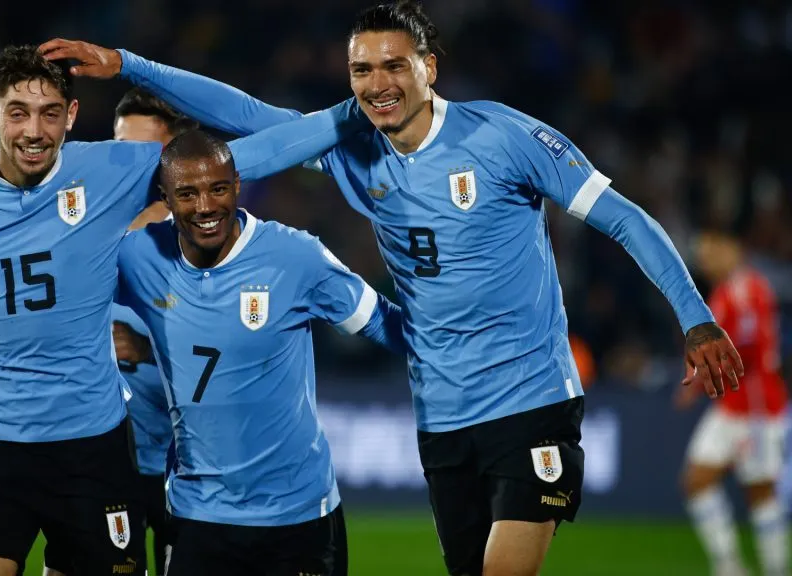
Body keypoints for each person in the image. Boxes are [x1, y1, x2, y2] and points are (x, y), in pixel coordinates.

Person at [40, 2, 744, 573]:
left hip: (530, 397)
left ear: (428, 68)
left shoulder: (502, 137)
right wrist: (129, 66)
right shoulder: (356, 152)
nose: (377, 82)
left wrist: (695, 317)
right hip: (440, 416)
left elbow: (624, 219)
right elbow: (253, 119)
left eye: (393, 65)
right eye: (361, 69)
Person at [0, 45, 368, 576]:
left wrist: (348, 115)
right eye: (18, 113)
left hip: (89, 450)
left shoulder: (110, 171)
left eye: (49, 114)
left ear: (71, 116)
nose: (34, 131)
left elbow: (240, 156)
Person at [115, 129, 403, 576]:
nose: (206, 206)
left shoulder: (295, 256)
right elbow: (65, 298)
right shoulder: (139, 256)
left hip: (298, 514)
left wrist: (476, 340)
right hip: (198, 513)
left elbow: (388, 326)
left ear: (237, 185)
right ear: (165, 199)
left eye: (218, 189)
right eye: (187, 194)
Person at [43, 88, 193, 576]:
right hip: (105, 453)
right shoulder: (86, 227)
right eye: (119, 147)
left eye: (143, 152)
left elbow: (235, 348)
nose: (128, 164)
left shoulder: (204, 242)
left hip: (186, 459)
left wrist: (146, 349)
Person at [676, 227, 788, 576]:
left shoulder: (747, 289)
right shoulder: (725, 292)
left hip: (756, 407)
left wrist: (703, 371)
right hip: (731, 406)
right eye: (703, 257)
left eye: (712, 253)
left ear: (733, 249)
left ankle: (775, 568)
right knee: (696, 480)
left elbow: (748, 347)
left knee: (760, 493)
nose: (706, 262)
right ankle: (729, 565)